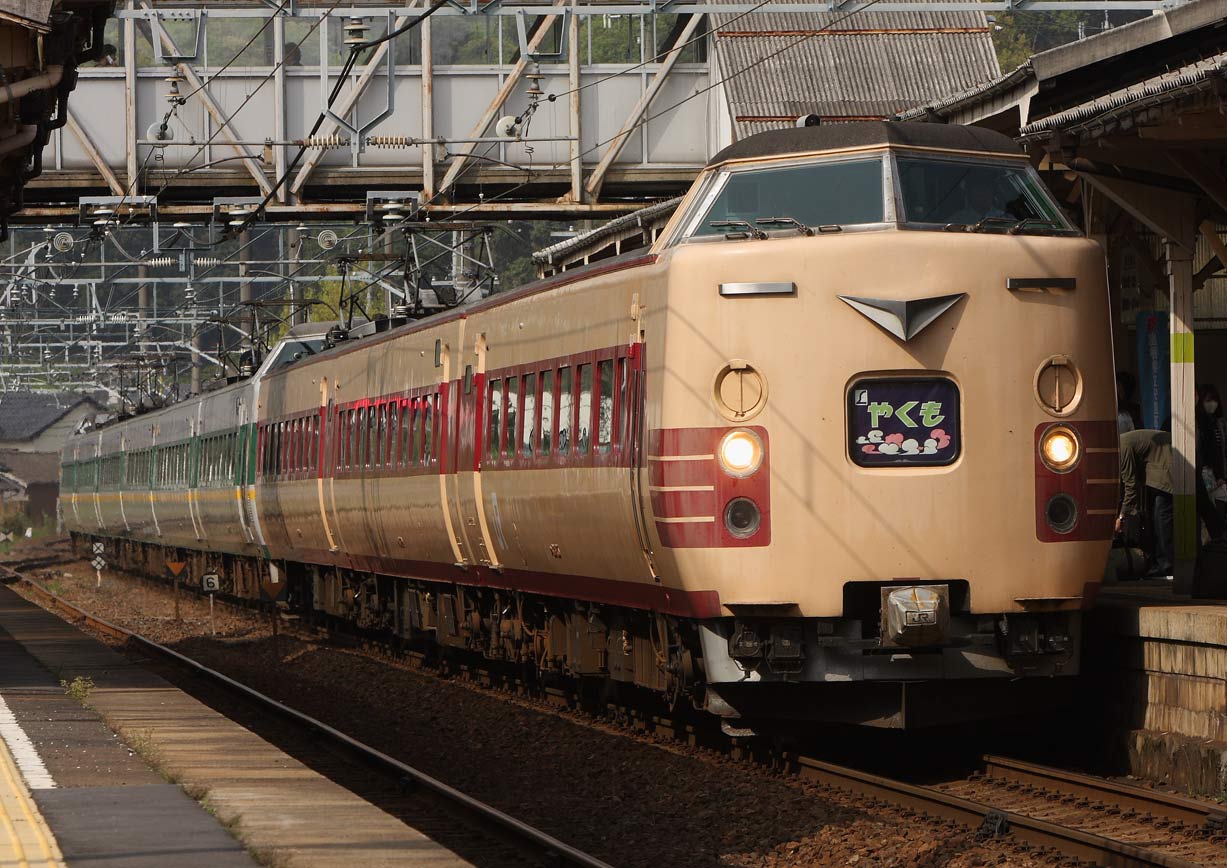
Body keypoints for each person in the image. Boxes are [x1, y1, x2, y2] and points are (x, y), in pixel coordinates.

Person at [1117, 429, 1173, 577]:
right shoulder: (1122, 442)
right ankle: (1161, 562)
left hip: (1166, 468)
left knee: (1161, 518)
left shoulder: (1121, 449)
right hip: (1159, 466)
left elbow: (1131, 485)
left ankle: (1167, 565)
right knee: (1156, 519)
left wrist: (1121, 516)